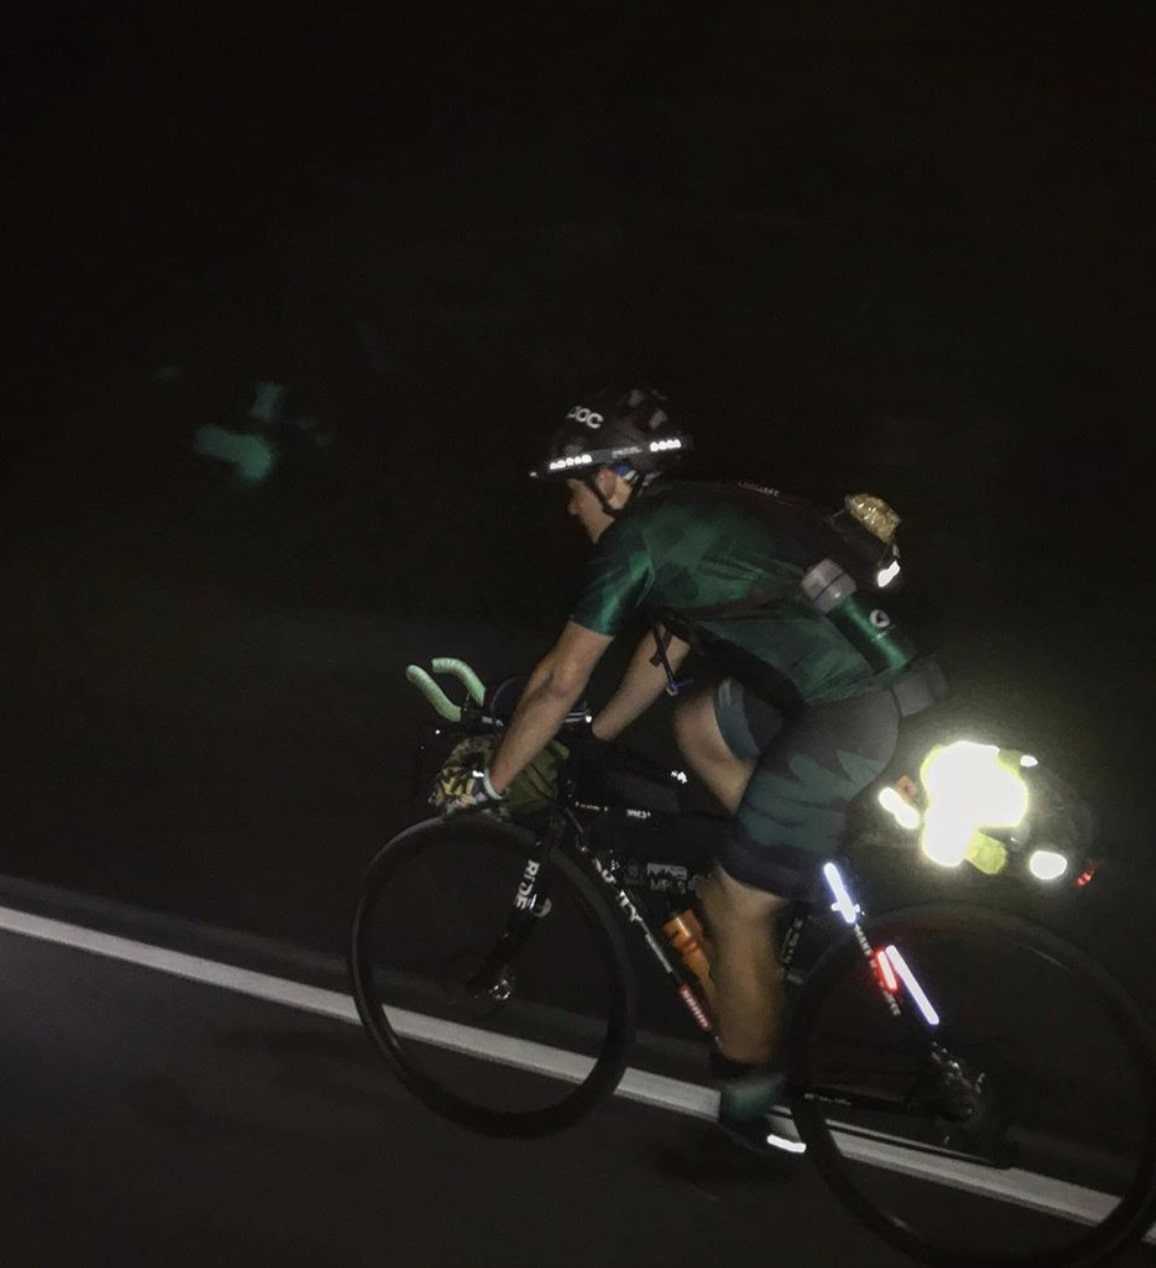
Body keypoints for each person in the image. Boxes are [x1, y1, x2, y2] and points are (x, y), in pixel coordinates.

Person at [441, 386, 948, 1158]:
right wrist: (592, 741)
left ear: (611, 480)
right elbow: (665, 649)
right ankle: (787, 861)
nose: (570, 510)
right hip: (868, 687)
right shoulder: (695, 515)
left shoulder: (634, 539)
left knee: (728, 904)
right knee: (697, 720)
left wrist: (491, 783)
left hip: (850, 712)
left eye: (574, 492)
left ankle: (747, 1121)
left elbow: (558, 680)